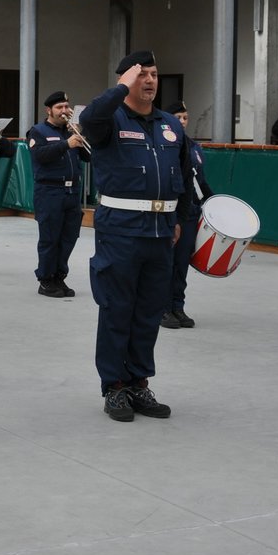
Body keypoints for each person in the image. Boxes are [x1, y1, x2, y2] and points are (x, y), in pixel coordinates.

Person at [81, 51, 191, 423]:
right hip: (121, 231)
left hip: (160, 233)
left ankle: (139, 383)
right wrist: (119, 87)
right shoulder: (109, 120)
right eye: (141, 74)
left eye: (154, 74)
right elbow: (87, 118)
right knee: (117, 309)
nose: (149, 80)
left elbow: (184, 175)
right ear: (127, 79)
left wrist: (178, 218)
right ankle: (114, 387)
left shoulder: (170, 126)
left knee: (147, 312)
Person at [27, 91, 89, 298]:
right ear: (49, 110)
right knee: (50, 238)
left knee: (68, 237)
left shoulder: (72, 131)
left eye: (66, 106)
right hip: (50, 191)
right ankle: (45, 279)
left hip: (72, 192)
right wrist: (66, 144)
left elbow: (88, 157)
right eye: (59, 107)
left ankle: (59, 276)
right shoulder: (38, 131)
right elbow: (40, 156)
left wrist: (81, 134)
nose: (64, 111)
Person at [161, 101, 212, 330]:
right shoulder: (164, 146)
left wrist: (215, 202)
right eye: (177, 117)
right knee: (166, 263)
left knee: (181, 263)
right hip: (171, 211)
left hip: (190, 213)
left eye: (185, 117)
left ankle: (177, 306)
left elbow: (200, 182)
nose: (182, 121)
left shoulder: (195, 148)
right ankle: (163, 309)